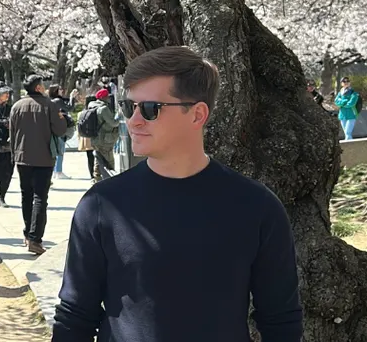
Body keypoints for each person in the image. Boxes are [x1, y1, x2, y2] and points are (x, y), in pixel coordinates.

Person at [52, 46, 302, 342]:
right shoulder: (100, 205)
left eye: (149, 109)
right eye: (128, 107)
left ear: (197, 114)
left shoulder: (257, 207)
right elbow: (74, 317)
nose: (134, 121)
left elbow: (281, 321)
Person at [9, 74, 67, 256]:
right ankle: (35, 238)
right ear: (38, 87)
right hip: (43, 157)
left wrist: (14, 155)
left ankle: (27, 233)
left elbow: (12, 131)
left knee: (26, 195)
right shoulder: (49, 105)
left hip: (21, 156)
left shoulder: (17, 106)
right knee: (40, 197)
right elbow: (60, 129)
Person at [77, 89, 120, 182]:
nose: (109, 98)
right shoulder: (103, 109)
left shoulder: (92, 106)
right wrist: (119, 116)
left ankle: (96, 178)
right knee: (109, 161)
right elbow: (113, 123)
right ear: (104, 98)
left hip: (95, 138)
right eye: (107, 96)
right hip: (105, 139)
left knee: (99, 158)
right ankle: (110, 181)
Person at [48, 85, 75, 180]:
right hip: (60, 128)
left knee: (58, 149)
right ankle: (58, 171)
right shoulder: (57, 101)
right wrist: (72, 97)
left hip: (54, 127)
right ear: (55, 91)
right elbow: (70, 108)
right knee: (60, 149)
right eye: (60, 89)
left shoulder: (52, 101)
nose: (62, 90)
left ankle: (56, 171)